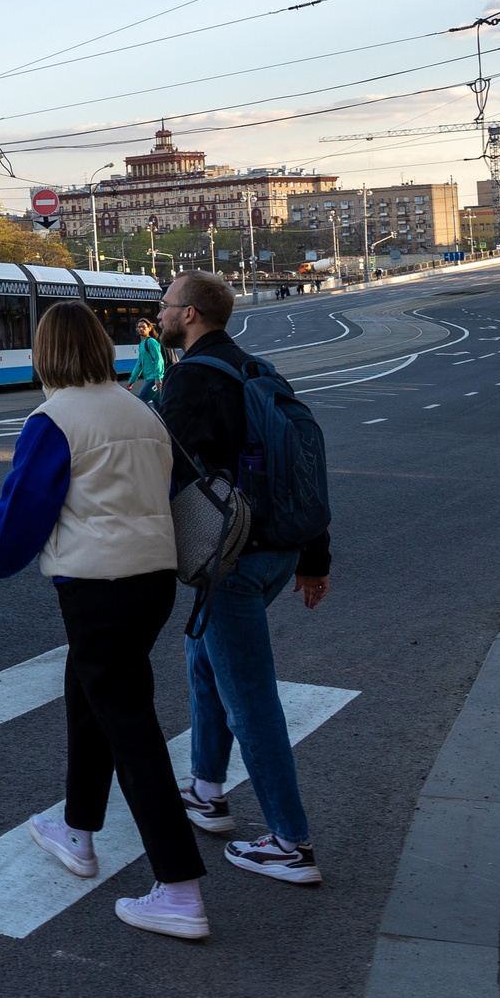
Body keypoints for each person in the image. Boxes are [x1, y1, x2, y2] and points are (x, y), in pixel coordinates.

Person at [0, 300, 208, 941]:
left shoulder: (54, 419)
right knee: (91, 694)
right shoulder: (141, 412)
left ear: (46, 353)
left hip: (97, 587)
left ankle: (180, 889)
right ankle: (77, 830)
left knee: (129, 725)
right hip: (152, 579)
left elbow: (24, 507)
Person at [156, 270, 330, 888]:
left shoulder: (193, 381)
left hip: (227, 560)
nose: (160, 311)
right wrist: (314, 556)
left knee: (250, 697)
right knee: (203, 658)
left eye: (167, 304)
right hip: (278, 550)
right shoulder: (259, 371)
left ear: (193, 315)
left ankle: (290, 841)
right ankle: (206, 790)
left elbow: (164, 472)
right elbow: (299, 466)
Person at [128, 317, 166, 403]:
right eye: (139, 327)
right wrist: (131, 381)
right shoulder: (142, 344)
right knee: (160, 407)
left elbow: (159, 360)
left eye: (144, 327)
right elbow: (139, 365)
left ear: (149, 328)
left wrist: (158, 377)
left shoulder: (151, 342)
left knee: (141, 402)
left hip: (154, 379)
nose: (141, 329)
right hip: (150, 378)